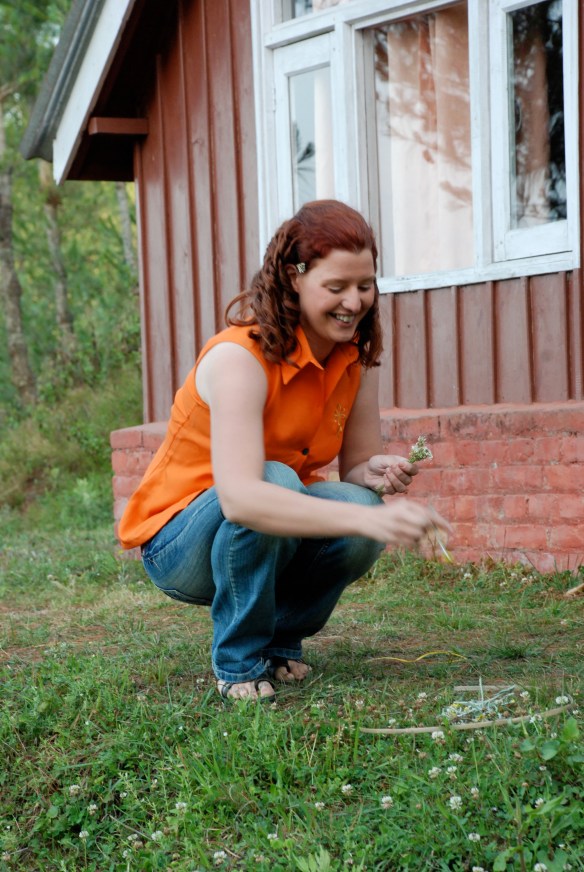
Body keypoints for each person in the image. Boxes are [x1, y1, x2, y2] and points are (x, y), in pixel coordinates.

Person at [118, 200, 450, 702]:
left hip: (264, 524)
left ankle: (278, 643)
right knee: (277, 481)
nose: (354, 302)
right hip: (179, 541)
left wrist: (371, 474)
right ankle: (238, 662)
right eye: (335, 287)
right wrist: (370, 524)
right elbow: (243, 500)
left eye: (365, 285)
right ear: (295, 278)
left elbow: (355, 467)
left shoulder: (354, 359)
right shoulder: (238, 358)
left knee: (357, 504)